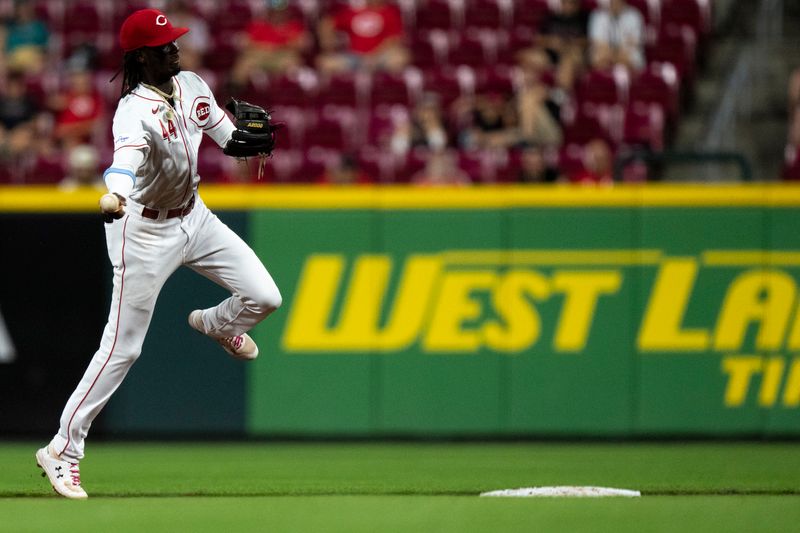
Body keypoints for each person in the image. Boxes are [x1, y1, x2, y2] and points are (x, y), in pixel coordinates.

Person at [35, 9, 282, 500]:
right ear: (142, 56)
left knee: (265, 296)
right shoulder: (133, 109)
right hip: (142, 230)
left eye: (176, 41)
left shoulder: (191, 84)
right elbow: (123, 162)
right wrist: (115, 192)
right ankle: (62, 449)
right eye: (166, 45)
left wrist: (244, 141)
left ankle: (219, 324)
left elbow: (227, 136)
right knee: (122, 347)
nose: (176, 49)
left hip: (195, 216)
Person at [316, 0, 409, 75]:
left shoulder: (390, 13)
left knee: (400, 58)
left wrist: (373, 55)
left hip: (380, 57)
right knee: (324, 63)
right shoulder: (354, 12)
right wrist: (328, 42)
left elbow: (394, 39)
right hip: (354, 57)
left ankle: (389, 93)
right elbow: (327, 23)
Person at [588, 0, 645, 72]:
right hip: (605, 53)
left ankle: (627, 81)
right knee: (598, 56)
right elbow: (598, 42)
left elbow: (634, 42)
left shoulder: (634, 15)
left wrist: (618, 57)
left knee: (633, 57)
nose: (615, 2)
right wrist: (613, 56)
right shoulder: (598, 15)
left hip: (627, 53)